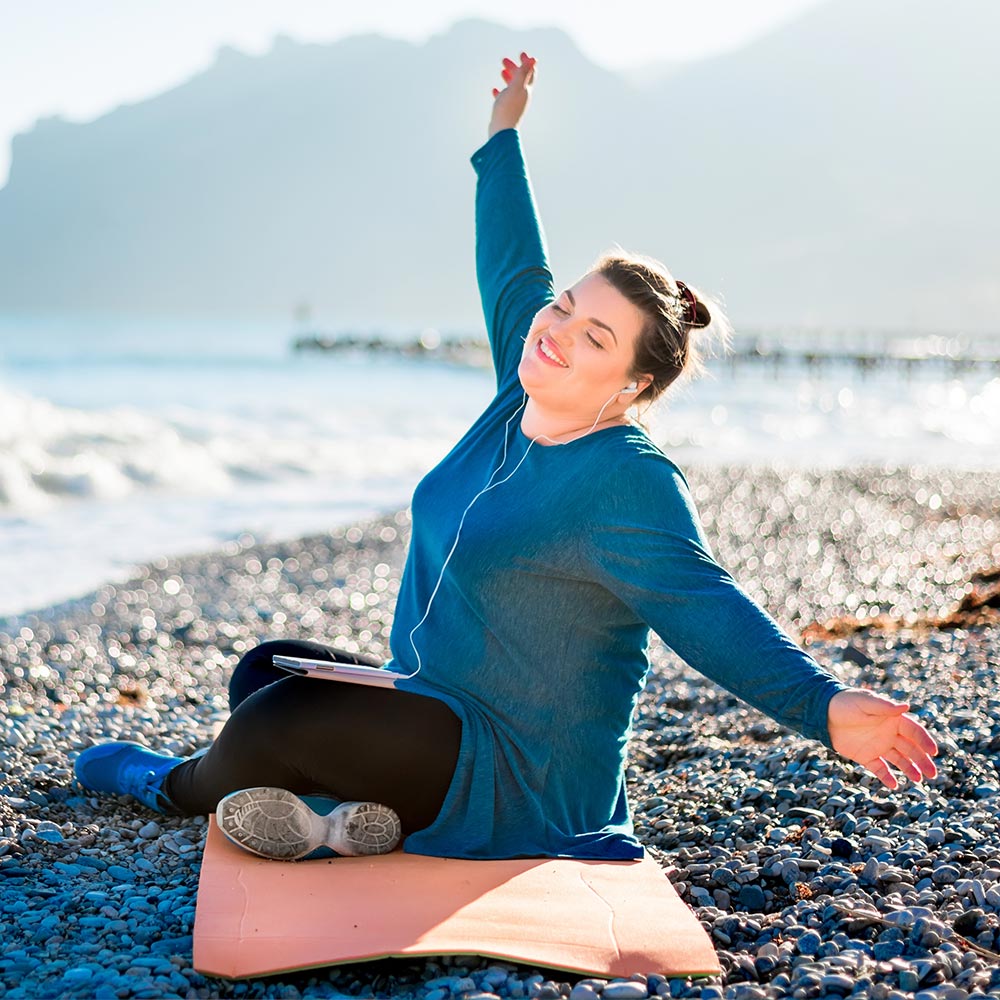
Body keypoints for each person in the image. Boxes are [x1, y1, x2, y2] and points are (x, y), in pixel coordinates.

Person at [74, 53, 938, 863]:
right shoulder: (518, 394)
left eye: (592, 334)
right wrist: (502, 135)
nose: (556, 330)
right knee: (265, 669)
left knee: (282, 716)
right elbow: (512, 262)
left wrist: (825, 708)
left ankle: (172, 785)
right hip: (433, 704)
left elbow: (708, 608)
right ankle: (344, 824)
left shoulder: (627, 480)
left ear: (633, 383)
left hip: (520, 774)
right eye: (564, 308)